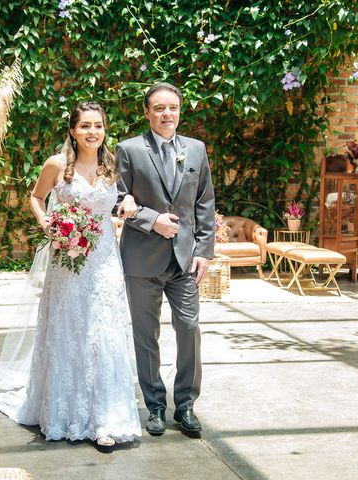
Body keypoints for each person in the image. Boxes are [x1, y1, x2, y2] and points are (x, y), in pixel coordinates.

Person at [0, 101, 142, 450]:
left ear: (105, 129)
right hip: (68, 260)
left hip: (104, 260)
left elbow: (122, 199)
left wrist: (128, 201)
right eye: (85, 126)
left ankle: (106, 418)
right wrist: (47, 223)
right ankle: (59, 411)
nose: (92, 132)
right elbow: (36, 197)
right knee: (69, 329)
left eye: (98, 126)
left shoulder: (112, 164)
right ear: (73, 130)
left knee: (104, 333)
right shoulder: (57, 165)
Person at [116, 82, 215, 437]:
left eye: (172, 107)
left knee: (189, 329)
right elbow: (117, 199)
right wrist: (150, 219)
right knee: (146, 336)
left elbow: (204, 202)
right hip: (142, 260)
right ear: (147, 112)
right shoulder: (128, 150)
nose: (166, 114)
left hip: (185, 261)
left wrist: (205, 251)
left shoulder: (196, 149)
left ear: (180, 109)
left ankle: (185, 404)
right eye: (158, 108)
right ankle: (155, 405)